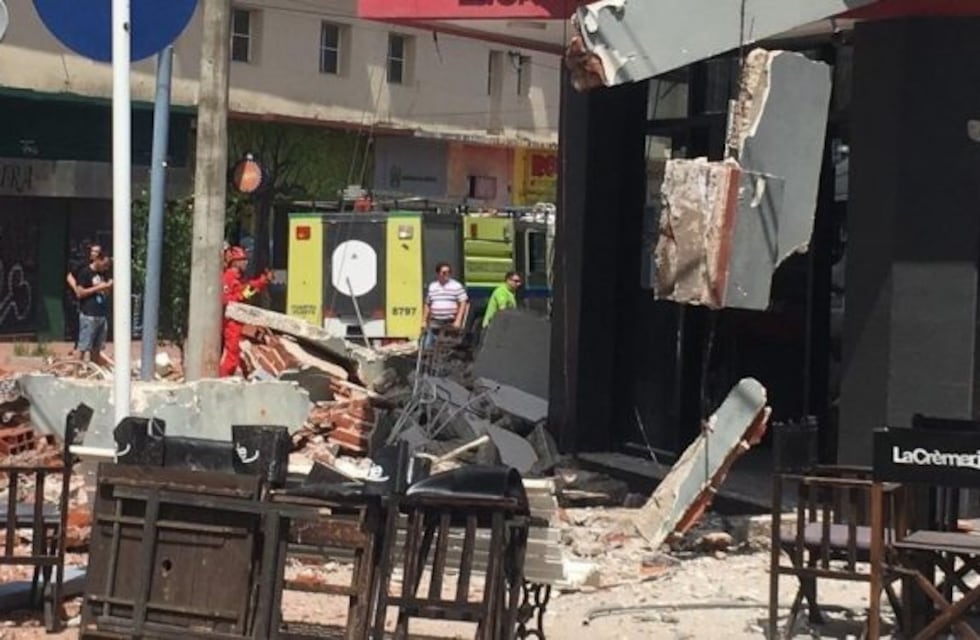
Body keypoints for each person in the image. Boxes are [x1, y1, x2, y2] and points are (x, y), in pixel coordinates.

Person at [220, 246, 272, 377]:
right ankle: (222, 381)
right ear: (235, 262)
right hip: (231, 322)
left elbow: (248, 289)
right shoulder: (229, 277)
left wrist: (262, 281)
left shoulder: (237, 277)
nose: (246, 262)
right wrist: (242, 296)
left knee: (237, 354)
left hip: (237, 321)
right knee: (231, 356)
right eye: (242, 260)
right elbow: (227, 299)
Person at [74, 252, 113, 365]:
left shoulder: (102, 274)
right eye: (104, 264)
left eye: (107, 266)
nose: (105, 268)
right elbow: (80, 293)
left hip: (101, 314)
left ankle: (95, 370)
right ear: (97, 260)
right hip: (89, 314)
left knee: (97, 348)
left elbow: (105, 291)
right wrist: (98, 287)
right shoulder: (85, 272)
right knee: (83, 347)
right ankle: (76, 371)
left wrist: (107, 287)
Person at [66, 244, 103, 356]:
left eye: (96, 252)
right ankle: (78, 352)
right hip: (81, 301)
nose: (94, 254)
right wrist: (76, 289)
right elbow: (70, 276)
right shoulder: (83, 265)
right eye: (92, 251)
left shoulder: (101, 269)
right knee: (82, 329)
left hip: (95, 305)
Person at [421, 262, 468, 348]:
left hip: (450, 321)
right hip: (435, 321)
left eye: (449, 272)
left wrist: (458, 320)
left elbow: (463, 303)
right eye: (444, 272)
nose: (447, 274)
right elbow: (427, 304)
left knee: (449, 346)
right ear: (438, 273)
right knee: (428, 345)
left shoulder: (456, 286)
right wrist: (424, 320)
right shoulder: (432, 286)